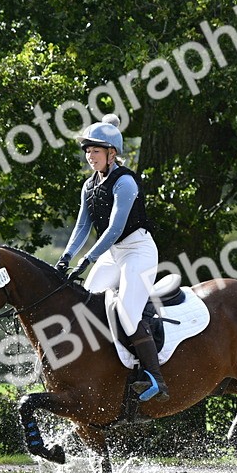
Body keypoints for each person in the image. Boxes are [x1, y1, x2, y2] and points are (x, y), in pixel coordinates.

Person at [55, 114, 169, 402]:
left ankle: (155, 377)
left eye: (95, 151)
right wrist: (66, 257)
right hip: (112, 253)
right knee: (87, 306)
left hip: (137, 251)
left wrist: (88, 259)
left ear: (112, 153)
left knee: (128, 314)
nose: (90, 157)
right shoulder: (89, 186)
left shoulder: (125, 182)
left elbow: (116, 228)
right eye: (87, 152)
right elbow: (82, 226)